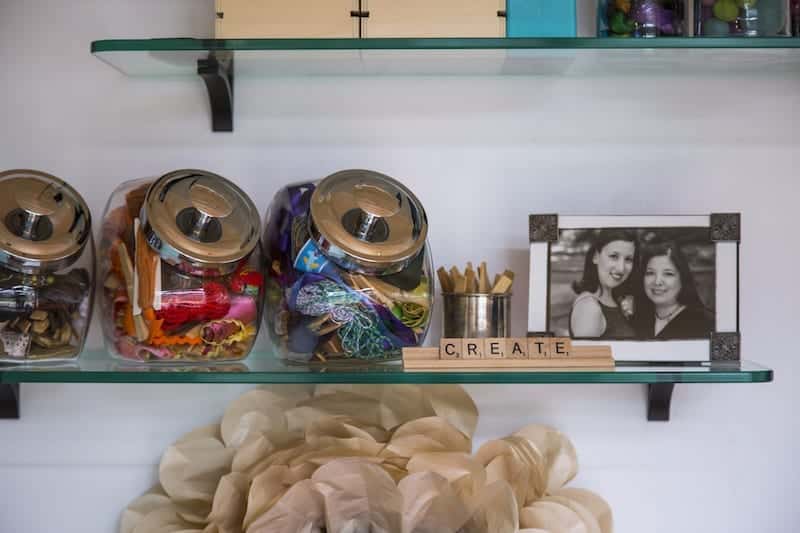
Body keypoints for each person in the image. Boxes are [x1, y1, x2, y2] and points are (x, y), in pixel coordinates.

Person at [636, 241, 714, 339]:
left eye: (668, 274)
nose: (657, 281)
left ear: (682, 278)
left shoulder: (705, 323)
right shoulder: (638, 319)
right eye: (650, 273)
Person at [569, 229, 638, 339]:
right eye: (614, 256)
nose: (621, 268)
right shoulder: (589, 308)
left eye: (628, 259)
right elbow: (585, 356)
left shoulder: (617, 300)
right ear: (595, 256)